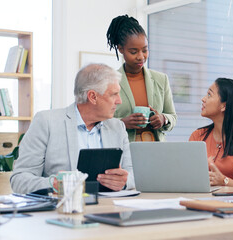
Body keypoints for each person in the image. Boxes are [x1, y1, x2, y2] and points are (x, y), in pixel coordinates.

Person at [11, 64, 135, 194]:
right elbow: (19, 180)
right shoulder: (47, 122)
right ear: (93, 97)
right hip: (63, 209)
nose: (119, 101)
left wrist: (125, 181)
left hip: (110, 209)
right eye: (114, 94)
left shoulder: (118, 127)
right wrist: (54, 183)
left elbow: (134, 174)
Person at [107, 14, 177, 142]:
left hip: (156, 150)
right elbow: (99, 122)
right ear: (121, 49)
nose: (141, 57)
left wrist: (163, 119)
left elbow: (172, 116)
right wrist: (123, 123)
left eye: (145, 50)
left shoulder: (161, 79)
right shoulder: (109, 81)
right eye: (133, 52)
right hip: (124, 150)